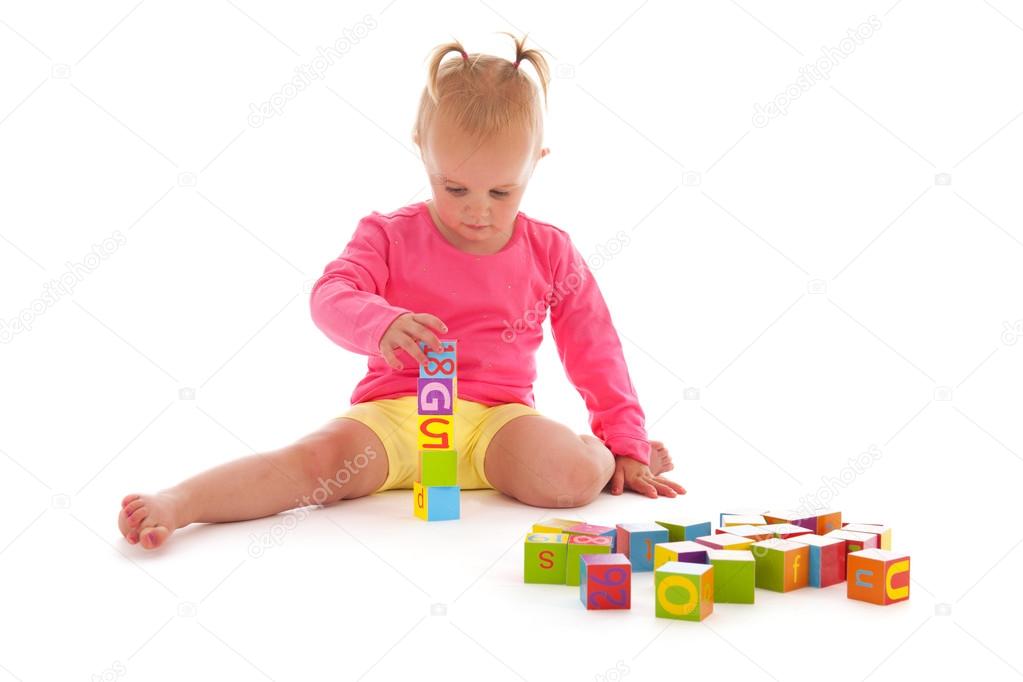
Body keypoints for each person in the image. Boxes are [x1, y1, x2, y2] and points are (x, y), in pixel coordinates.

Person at [117, 34, 684, 550]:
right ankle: (182, 501)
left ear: (535, 163)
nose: (478, 211)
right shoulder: (388, 235)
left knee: (569, 477)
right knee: (313, 465)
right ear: (421, 148)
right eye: (454, 186)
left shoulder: (551, 251)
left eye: (502, 191)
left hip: (499, 423)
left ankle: (612, 455)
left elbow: (595, 347)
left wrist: (627, 440)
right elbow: (330, 294)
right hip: (395, 414)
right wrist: (379, 322)